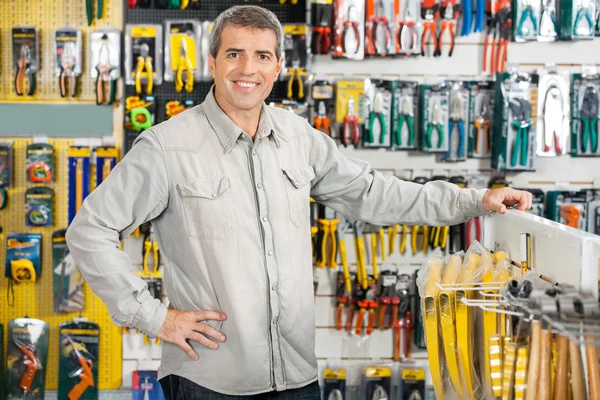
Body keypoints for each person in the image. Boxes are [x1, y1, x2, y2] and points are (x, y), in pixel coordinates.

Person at [65, 5, 532, 399]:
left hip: (296, 375)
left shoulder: (298, 137)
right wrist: (153, 317)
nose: (247, 69)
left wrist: (476, 199)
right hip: (209, 378)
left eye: (262, 56)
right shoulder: (166, 146)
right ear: (212, 62)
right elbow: (90, 231)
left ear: (278, 68)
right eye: (234, 54)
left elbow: (374, 194)